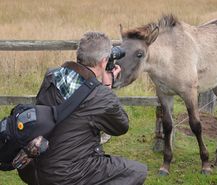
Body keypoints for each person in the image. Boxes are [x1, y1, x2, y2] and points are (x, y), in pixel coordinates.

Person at [18, 32, 147, 185]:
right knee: (137, 171)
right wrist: (106, 87)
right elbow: (121, 126)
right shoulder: (99, 96)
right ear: (104, 61)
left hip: (32, 166)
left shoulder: (51, 76)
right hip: (65, 175)